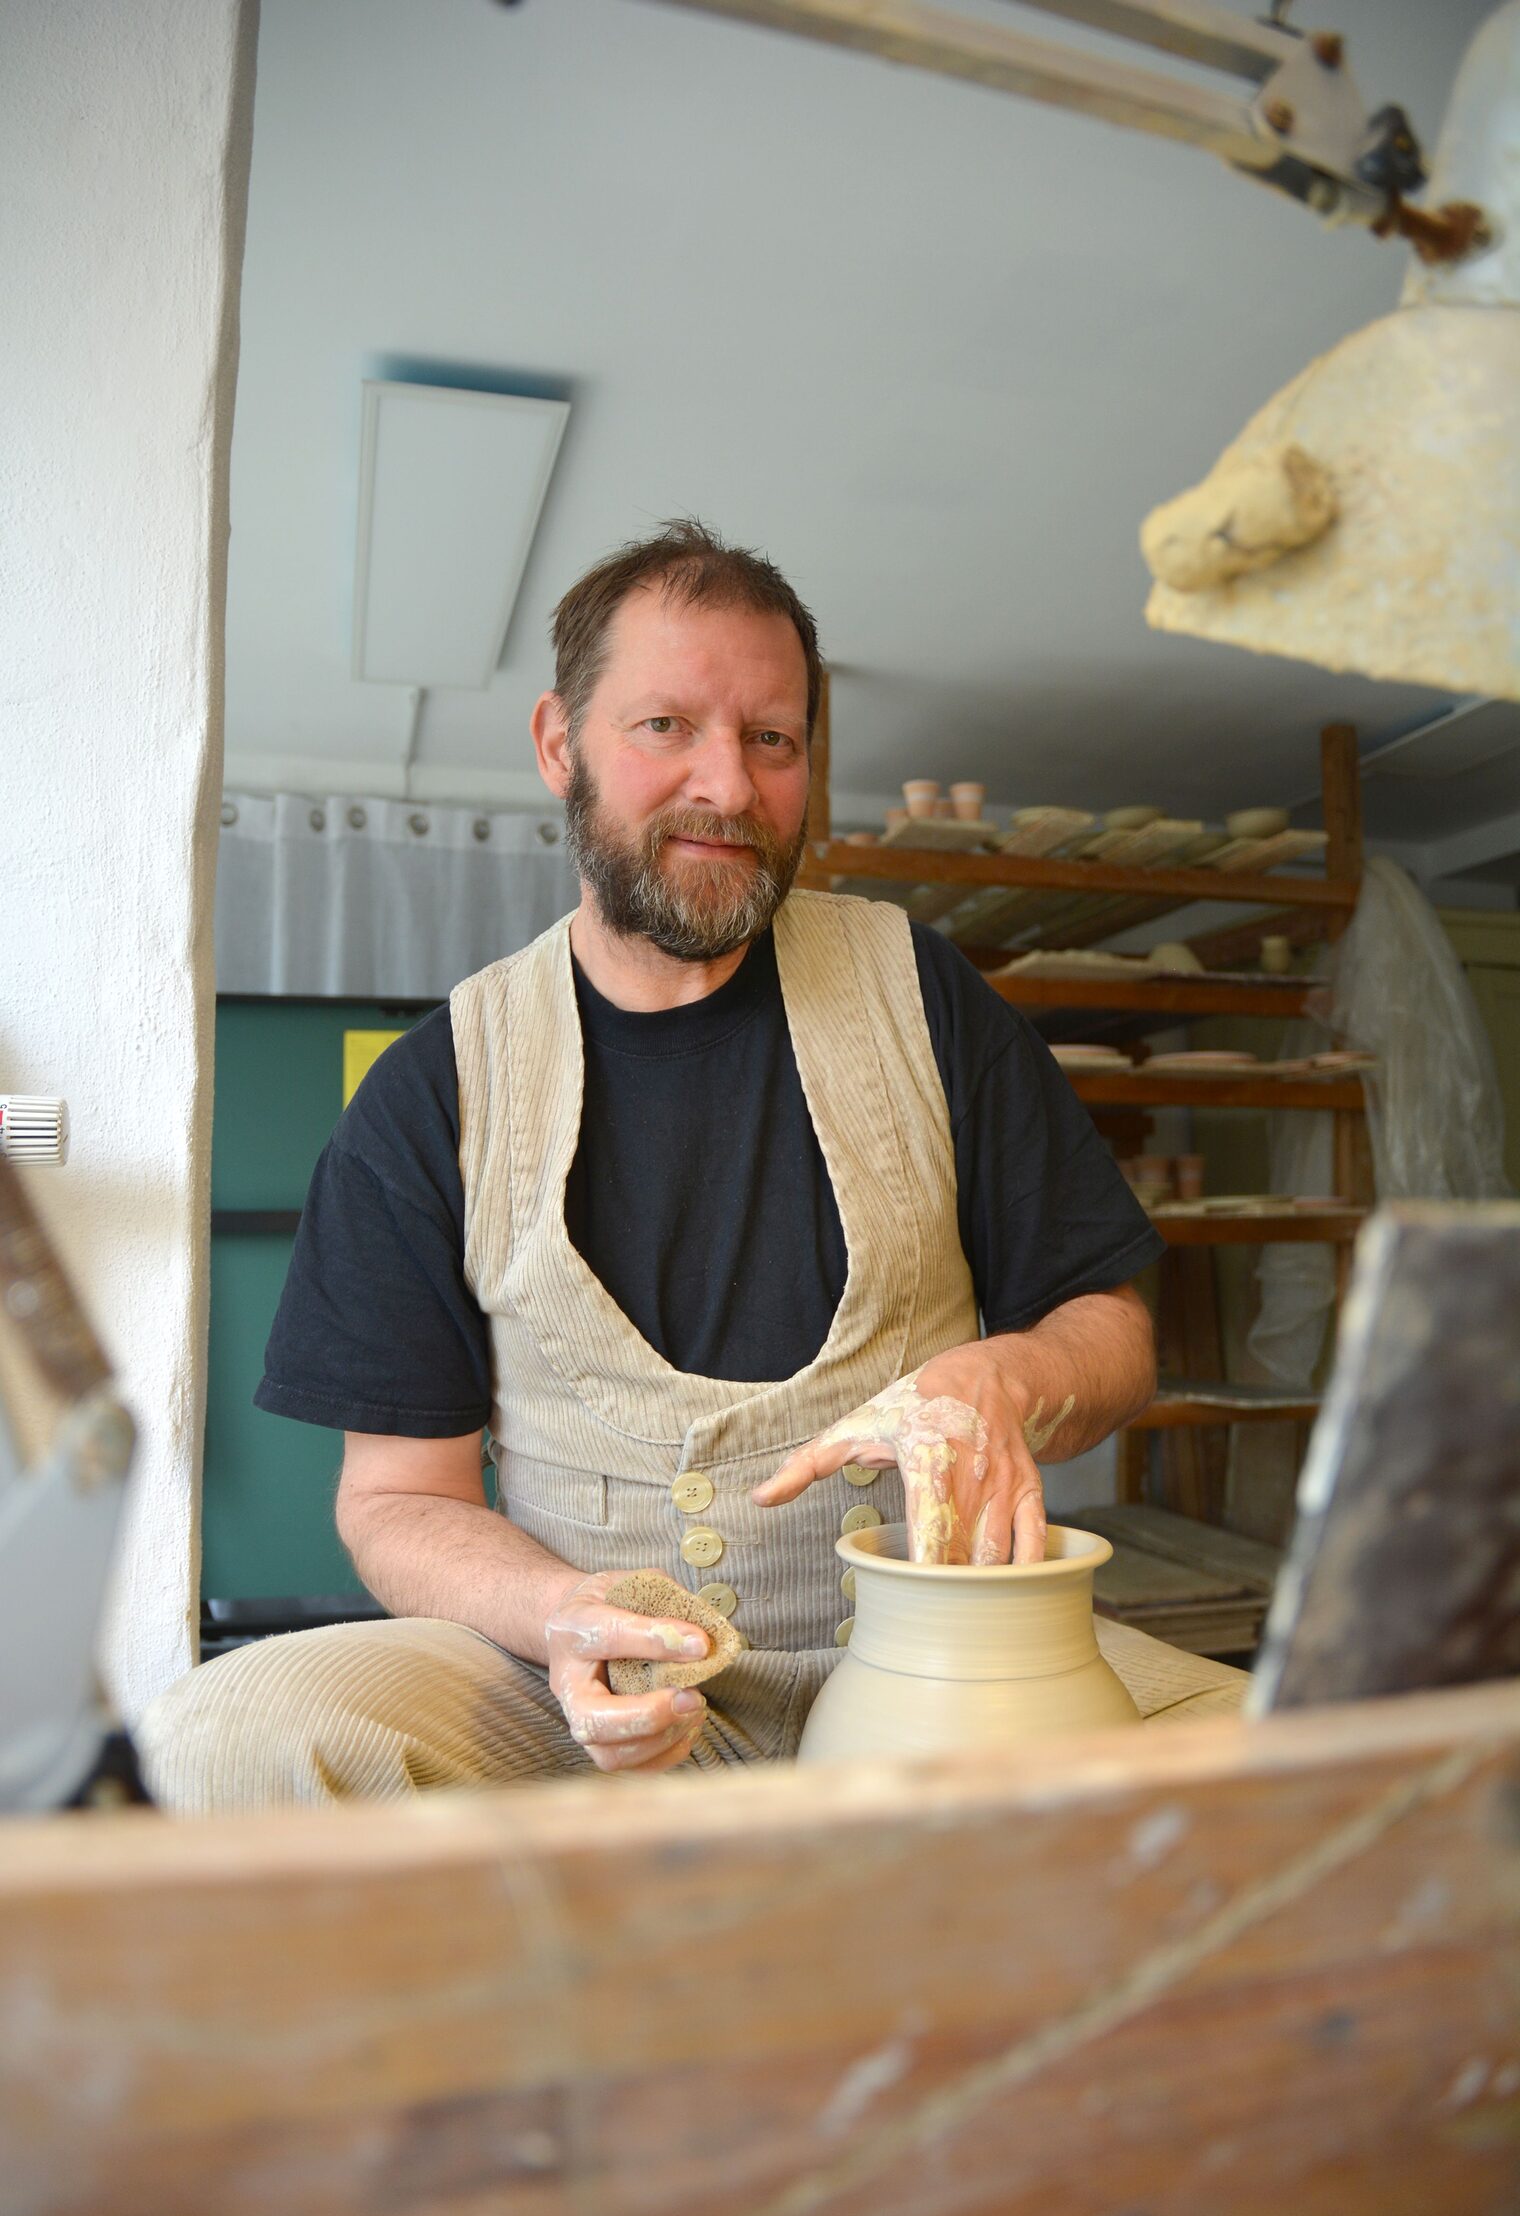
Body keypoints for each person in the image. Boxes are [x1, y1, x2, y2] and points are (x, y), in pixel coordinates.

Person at [140, 520, 1170, 1808]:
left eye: (772, 739)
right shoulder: (438, 1086)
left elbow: (1111, 1329)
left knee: (1310, 1778)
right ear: (559, 745)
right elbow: (397, 1496)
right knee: (217, 1750)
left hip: (947, 1670)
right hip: (579, 1696)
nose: (729, 788)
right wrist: (559, 1613)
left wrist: (1010, 1377)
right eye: (666, 726)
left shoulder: (923, 995)